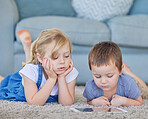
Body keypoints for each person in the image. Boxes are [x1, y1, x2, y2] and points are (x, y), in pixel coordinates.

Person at [0, 28, 79, 106]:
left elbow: (66, 103)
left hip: (31, 78)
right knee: (3, 82)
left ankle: (28, 50)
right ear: (41, 58)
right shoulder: (31, 71)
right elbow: (34, 102)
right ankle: (28, 49)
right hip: (18, 85)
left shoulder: (70, 72)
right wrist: (52, 79)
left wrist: (61, 77)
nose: (62, 61)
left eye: (66, 56)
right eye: (55, 57)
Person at [83, 41, 143, 107]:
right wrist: (93, 102)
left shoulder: (129, 83)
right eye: (97, 76)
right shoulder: (90, 87)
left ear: (120, 70)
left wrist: (124, 101)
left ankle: (127, 71)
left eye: (109, 76)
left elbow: (139, 102)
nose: (103, 81)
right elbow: (88, 101)